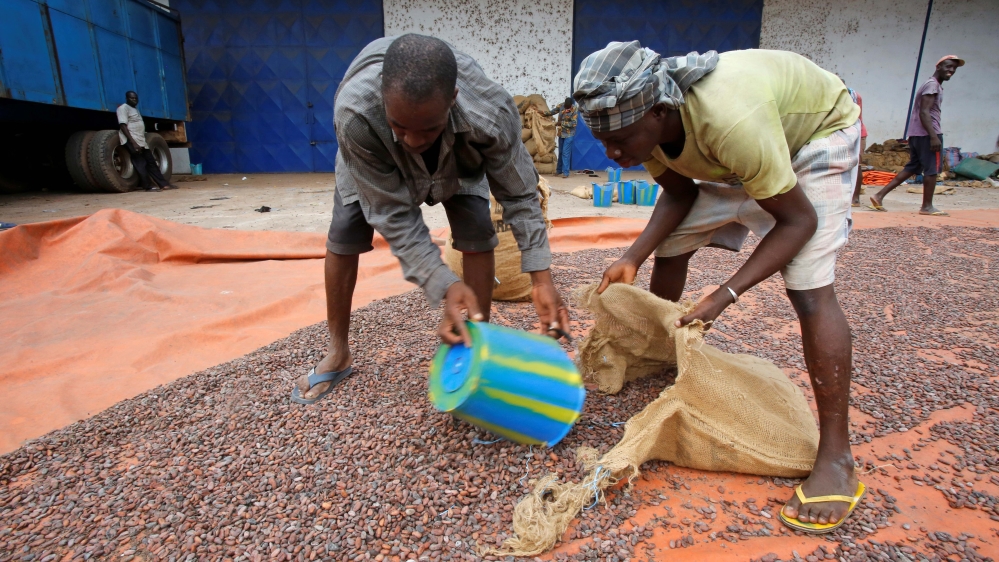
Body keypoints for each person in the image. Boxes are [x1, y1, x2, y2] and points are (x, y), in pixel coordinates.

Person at [575, 41, 863, 533]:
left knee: (809, 290)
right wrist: (631, 257)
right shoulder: (650, 122)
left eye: (619, 140)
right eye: (603, 142)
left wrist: (724, 294)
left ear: (660, 112)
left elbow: (798, 221)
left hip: (815, 135)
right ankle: (665, 354)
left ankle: (837, 457)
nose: (613, 154)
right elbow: (679, 194)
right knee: (670, 247)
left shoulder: (730, 121)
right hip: (744, 152)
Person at [291, 34, 571, 404]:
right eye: (400, 126)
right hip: (376, 153)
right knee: (346, 231)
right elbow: (393, 214)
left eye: (428, 129)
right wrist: (443, 283)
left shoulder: (488, 114)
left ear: (452, 99)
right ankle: (338, 351)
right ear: (384, 99)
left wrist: (541, 278)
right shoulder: (356, 116)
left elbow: (519, 194)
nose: (412, 141)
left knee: (477, 228)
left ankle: (476, 341)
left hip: (460, 150)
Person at [869, 55, 964, 216]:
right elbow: (924, 112)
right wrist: (933, 136)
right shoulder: (932, 85)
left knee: (913, 167)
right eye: (948, 66)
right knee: (932, 170)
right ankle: (927, 207)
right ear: (938, 67)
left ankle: (879, 196)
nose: (952, 70)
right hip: (927, 134)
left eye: (954, 68)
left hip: (917, 134)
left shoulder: (932, 85)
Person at [117, 91, 177, 191]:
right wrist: (133, 142)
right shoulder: (123, 108)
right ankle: (148, 186)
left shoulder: (134, 109)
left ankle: (163, 184)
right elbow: (123, 126)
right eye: (132, 98)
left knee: (151, 162)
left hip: (141, 140)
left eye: (136, 98)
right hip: (132, 140)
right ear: (127, 98)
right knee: (140, 163)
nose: (134, 100)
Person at [551, 97, 578, 178]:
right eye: (566, 107)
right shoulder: (561, 106)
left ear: (571, 105)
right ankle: (559, 170)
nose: (566, 108)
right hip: (561, 133)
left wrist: (561, 123)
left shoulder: (574, 109)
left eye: (568, 107)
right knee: (561, 152)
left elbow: (574, 124)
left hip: (569, 134)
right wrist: (543, 113)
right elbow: (553, 111)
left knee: (565, 153)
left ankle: (566, 173)